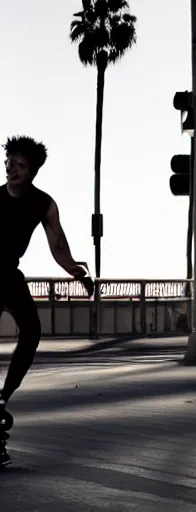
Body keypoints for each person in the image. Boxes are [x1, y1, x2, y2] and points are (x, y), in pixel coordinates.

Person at [0, 135, 91, 466]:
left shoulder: (43, 204)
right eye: (9, 162)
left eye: (20, 165)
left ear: (32, 171)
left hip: (8, 276)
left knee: (33, 331)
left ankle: (2, 398)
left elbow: (58, 245)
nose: (12, 169)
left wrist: (77, 273)